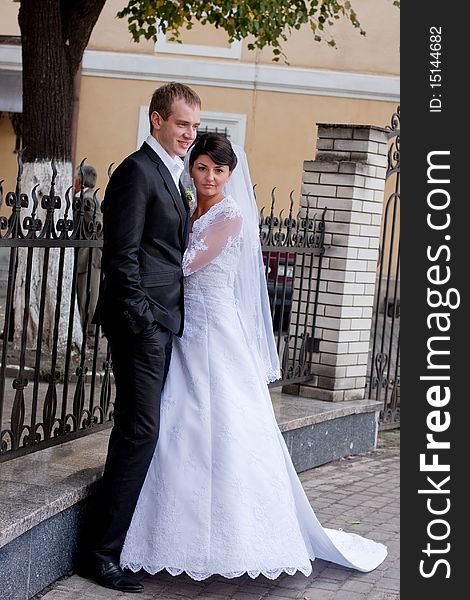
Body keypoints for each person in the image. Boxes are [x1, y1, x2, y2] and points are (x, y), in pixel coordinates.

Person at [119, 133, 388, 582]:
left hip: (216, 332)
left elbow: (185, 264)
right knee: (179, 423)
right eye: (201, 167)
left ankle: (238, 539)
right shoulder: (188, 206)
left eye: (218, 171)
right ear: (192, 167)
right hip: (186, 330)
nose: (208, 177)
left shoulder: (230, 215)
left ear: (230, 175)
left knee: (225, 424)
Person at [82, 82, 201, 593]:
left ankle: (114, 544)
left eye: (194, 127)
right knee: (139, 431)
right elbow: (121, 257)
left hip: (161, 322)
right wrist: (143, 323)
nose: (188, 135)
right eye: (181, 125)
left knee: (141, 430)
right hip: (143, 325)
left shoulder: (172, 176)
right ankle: (100, 554)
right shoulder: (136, 172)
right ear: (156, 120)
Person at [74, 163, 102, 345]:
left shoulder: (85, 199)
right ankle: (90, 332)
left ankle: (89, 334)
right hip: (90, 254)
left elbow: (97, 224)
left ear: (79, 180)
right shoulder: (92, 196)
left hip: (89, 255)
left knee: (86, 295)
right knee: (89, 294)